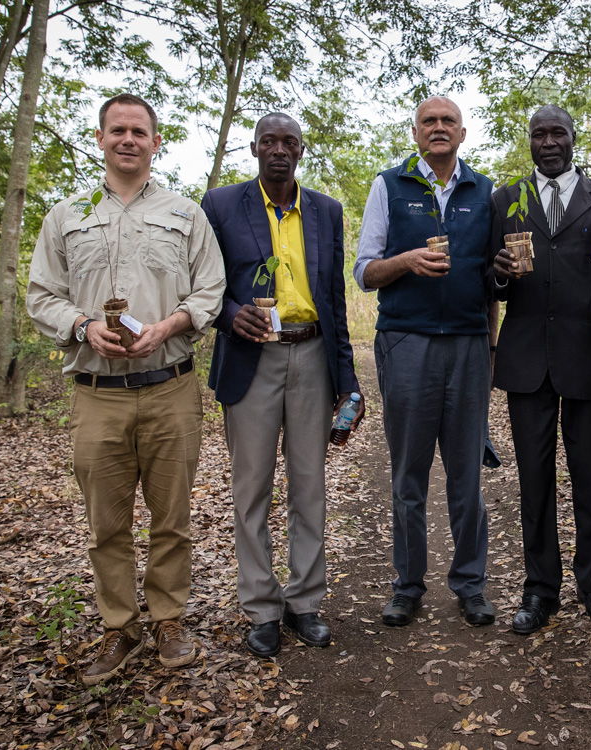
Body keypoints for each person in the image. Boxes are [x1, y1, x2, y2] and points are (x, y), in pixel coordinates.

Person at [26, 93, 226, 684]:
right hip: (97, 392)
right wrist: (84, 327)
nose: (128, 139)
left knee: (172, 516)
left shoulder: (186, 214)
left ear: (155, 142)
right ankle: (119, 628)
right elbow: (41, 294)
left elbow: (209, 290)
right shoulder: (67, 215)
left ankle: (168, 618)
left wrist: (169, 326)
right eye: (118, 130)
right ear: (100, 138)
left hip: (169, 388)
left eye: (140, 130)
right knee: (106, 523)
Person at [202, 113, 363, 658]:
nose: (278, 150)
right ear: (253, 148)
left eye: (288, 142)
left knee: (308, 486)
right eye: (268, 141)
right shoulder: (221, 205)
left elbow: (336, 301)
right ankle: (261, 608)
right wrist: (229, 316)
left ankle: (305, 602)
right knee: (252, 488)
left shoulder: (326, 210)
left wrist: (349, 381)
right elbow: (205, 285)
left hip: (313, 353)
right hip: (253, 358)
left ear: (300, 150)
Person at [354, 96, 497, 627]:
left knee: (466, 474)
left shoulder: (485, 192)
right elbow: (365, 271)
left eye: (447, 122)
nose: (438, 129)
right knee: (408, 473)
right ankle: (408, 585)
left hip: (467, 344)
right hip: (405, 342)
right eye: (428, 122)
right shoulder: (388, 186)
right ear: (415, 133)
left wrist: (492, 344)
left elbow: (491, 282)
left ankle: (470, 583)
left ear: (462, 134)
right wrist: (407, 261)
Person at [489, 105, 591, 634]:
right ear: (529, 142)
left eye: (557, 133)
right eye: (539, 134)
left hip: (587, 358)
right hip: (526, 362)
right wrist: (498, 275)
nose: (548, 142)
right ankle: (540, 588)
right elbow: (485, 276)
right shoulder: (505, 199)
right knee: (534, 480)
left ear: (573, 138)